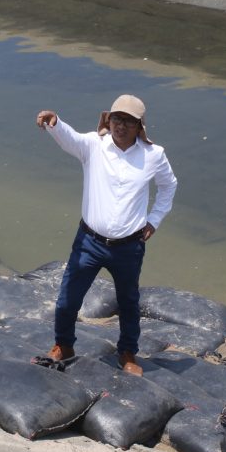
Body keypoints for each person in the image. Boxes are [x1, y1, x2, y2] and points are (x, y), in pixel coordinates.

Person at [36, 95, 177, 375]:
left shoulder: (153, 155)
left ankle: (127, 353)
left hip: (128, 246)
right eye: (116, 119)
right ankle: (63, 345)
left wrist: (154, 220)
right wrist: (55, 122)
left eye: (128, 121)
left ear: (139, 126)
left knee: (128, 302)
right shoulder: (94, 145)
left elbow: (168, 186)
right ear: (107, 120)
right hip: (89, 241)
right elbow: (69, 138)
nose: (120, 126)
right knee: (68, 298)